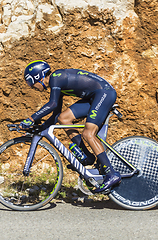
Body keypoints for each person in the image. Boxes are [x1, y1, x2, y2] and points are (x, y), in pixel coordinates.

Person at [20, 60, 121, 193]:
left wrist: (31, 119)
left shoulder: (56, 78)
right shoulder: (56, 84)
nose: (32, 87)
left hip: (104, 93)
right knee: (64, 118)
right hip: (94, 97)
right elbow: (56, 115)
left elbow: (52, 104)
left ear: (38, 77)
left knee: (88, 133)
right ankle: (87, 156)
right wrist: (43, 126)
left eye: (31, 83)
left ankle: (111, 173)